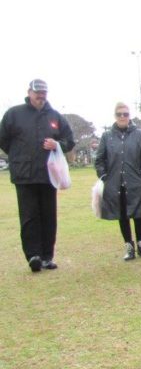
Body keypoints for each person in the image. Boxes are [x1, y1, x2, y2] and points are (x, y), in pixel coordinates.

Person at [0, 79, 75, 272]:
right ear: (29, 92)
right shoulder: (13, 114)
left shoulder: (55, 116)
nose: (40, 96)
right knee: (29, 216)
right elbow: (4, 140)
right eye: (37, 93)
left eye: (44, 93)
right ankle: (33, 255)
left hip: (49, 174)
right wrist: (18, 155)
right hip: (24, 175)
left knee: (48, 216)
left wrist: (57, 144)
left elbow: (69, 140)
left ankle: (47, 256)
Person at [94, 102, 141, 261]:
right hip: (115, 183)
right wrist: (104, 176)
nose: (122, 117)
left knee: (138, 213)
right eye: (119, 114)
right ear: (115, 116)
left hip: (135, 181)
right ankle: (129, 245)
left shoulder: (140, 134)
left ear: (129, 116)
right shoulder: (107, 136)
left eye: (125, 114)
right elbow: (99, 159)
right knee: (122, 214)